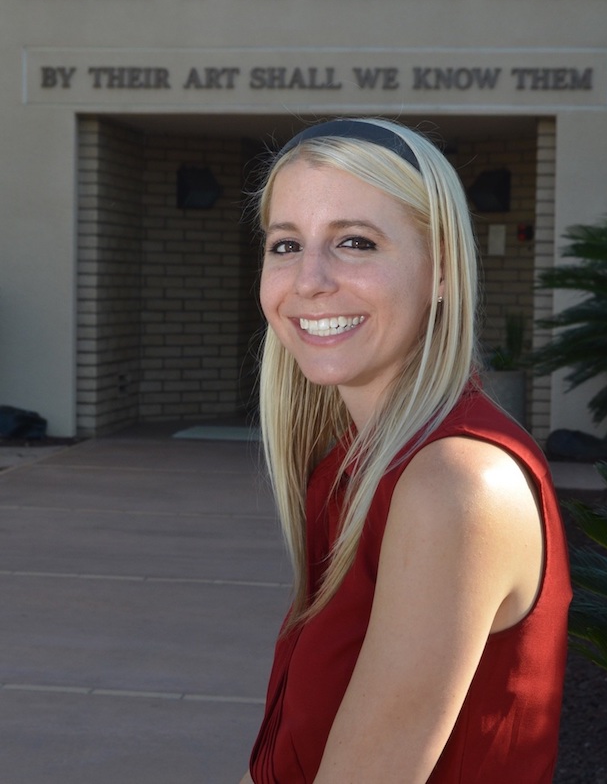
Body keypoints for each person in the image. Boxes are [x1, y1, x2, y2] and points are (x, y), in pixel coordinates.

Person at [240, 118, 571, 783]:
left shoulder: (455, 483)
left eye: (354, 242)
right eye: (285, 245)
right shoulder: (347, 467)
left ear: (441, 270)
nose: (308, 280)